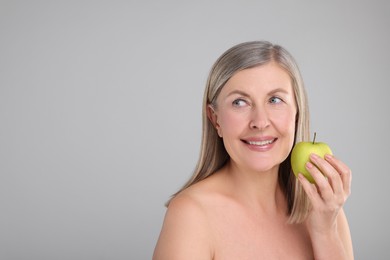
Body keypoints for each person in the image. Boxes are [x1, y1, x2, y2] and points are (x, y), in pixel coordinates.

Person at [153, 41, 353, 259]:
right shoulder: (192, 214)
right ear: (215, 119)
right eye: (240, 102)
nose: (260, 122)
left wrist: (325, 232)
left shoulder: (324, 209)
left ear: (297, 113)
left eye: (275, 100)